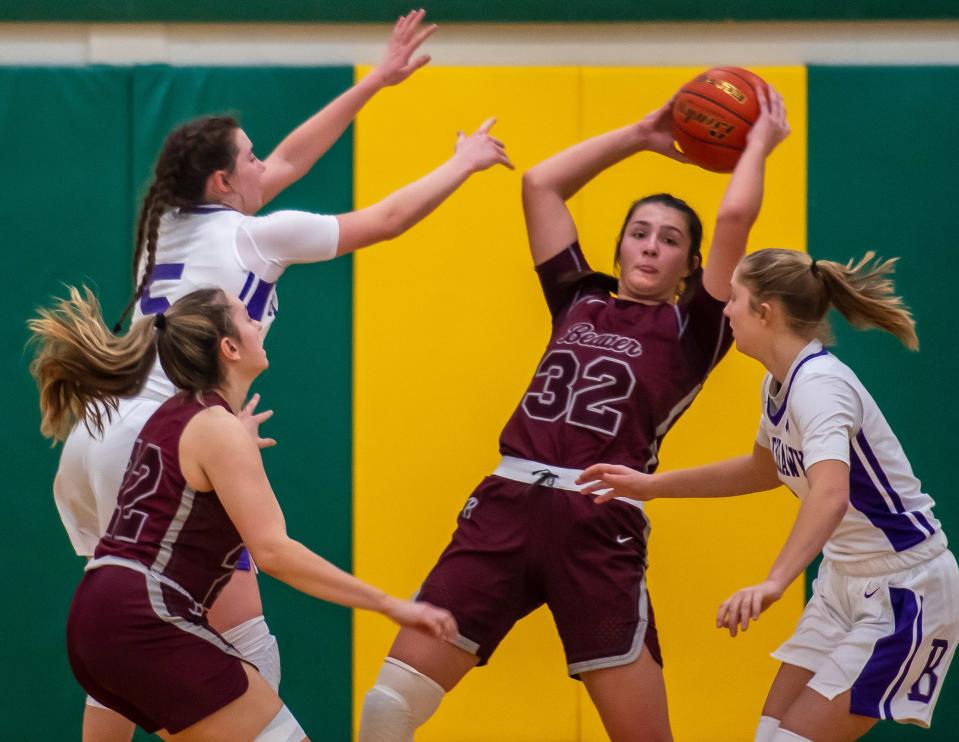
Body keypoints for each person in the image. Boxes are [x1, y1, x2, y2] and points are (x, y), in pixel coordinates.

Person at [51, 10, 512, 741]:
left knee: (133, 616)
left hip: (97, 439)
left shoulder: (166, 221)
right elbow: (386, 220)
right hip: (164, 441)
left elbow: (291, 159)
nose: (267, 163)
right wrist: (464, 160)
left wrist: (377, 84)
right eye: (252, 157)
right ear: (224, 179)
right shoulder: (257, 236)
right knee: (238, 645)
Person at [358, 86, 789, 741]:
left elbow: (732, 221)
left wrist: (755, 145)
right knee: (387, 707)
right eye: (638, 233)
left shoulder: (696, 328)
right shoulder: (579, 299)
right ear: (617, 250)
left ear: (688, 267)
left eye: (668, 240)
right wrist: (641, 135)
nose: (648, 246)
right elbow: (539, 185)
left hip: (596, 523)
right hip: (502, 506)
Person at [30, 286, 459, 741]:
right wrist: (389, 604)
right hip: (145, 616)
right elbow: (274, 552)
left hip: (97, 614)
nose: (258, 323)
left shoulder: (174, 417)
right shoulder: (214, 428)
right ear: (229, 348)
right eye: (246, 318)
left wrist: (236, 445)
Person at [578, 248, 959, 741]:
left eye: (735, 298)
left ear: (766, 312)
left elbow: (830, 495)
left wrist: (774, 582)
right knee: (769, 735)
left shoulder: (819, 387)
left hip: (907, 590)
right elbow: (762, 470)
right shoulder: (779, 383)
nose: (726, 310)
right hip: (844, 582)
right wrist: (651, 486)